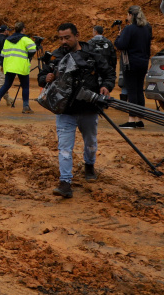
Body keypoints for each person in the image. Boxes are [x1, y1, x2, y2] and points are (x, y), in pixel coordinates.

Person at [39, 23, 115, 198]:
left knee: (90, 144)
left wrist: (105, 86)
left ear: (77, 36)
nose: (64, 41)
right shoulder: (55, 56)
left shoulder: (92, 55)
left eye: (67, 37)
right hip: (65, 110)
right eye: (61, 38)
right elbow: (42, 77)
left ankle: (89, 165)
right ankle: (65, 183)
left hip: (89, 108)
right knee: (64, 148)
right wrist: (46, 78)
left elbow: (109, 73)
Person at [114, 6, 153, 128]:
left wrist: (119, 36)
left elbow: (121, 45)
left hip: (130, 62)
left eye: (127, 15)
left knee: (131, 90)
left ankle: (131, 120)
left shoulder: (129, 28)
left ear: (131, 15)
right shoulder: (147, 28)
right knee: (139, 90)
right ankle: (139, 119)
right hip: (143, 62)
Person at [0, 22, 37, 114]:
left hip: (9, 65)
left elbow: (2, 54)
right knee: (25, 86)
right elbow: (33, 49)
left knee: (6, 84)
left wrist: (3, 65)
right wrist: (28, 56)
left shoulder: (7, 40)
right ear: (23, 29)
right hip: (21, 66)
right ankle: (26, 106)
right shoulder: (25, 39)